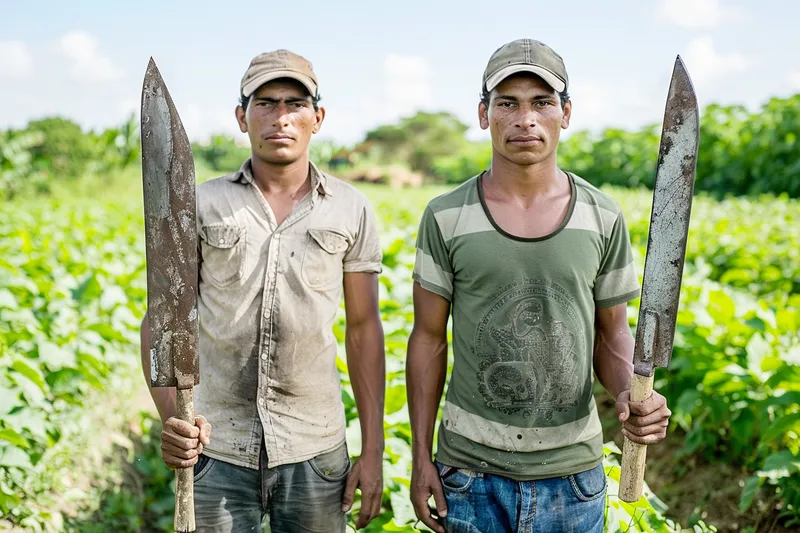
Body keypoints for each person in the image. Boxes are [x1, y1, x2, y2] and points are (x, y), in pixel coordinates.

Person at [406, 38, 672, 533]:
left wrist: (627, 396)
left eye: (542, 102)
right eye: (507, 103)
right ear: (485, 115)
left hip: (573, 479)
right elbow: (426, 338)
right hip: (469, 475)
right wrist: (421, 456)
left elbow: (612, 333)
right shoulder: (446, 216)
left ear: (565, 113)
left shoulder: (602, 217)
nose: (525, 119)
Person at [139, 49, 386, 533]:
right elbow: (160, 321)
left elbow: (363, 331)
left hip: (315, 448)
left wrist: (372, 450)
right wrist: (174, 418)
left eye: (295, 103)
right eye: (265, 103)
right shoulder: (200, 203)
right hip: (216, 449)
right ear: (241, 116)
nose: (281, 117)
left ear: (317, 117)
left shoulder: (350, 209)